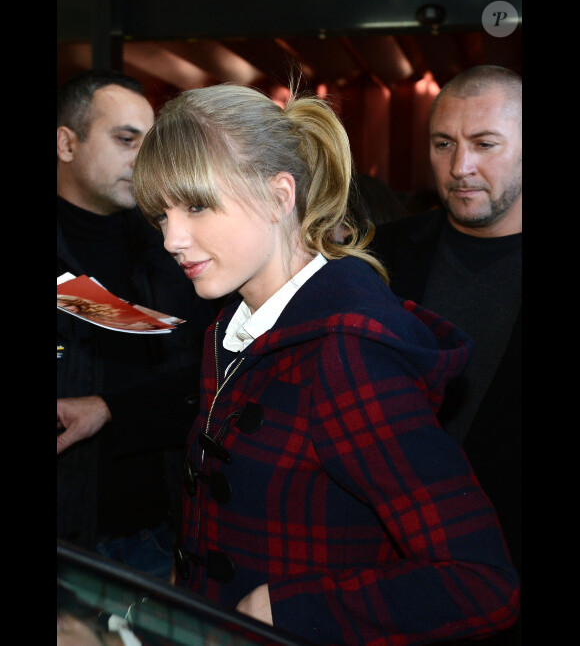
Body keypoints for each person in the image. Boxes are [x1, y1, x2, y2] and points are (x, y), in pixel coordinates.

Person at [131, 81, 520, 644]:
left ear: (279, 195)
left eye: (196, 205)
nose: (172, 237)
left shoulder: (347, 349)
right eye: (160, 214)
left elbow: (482, 582)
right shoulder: (232, 326)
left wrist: (287, 609)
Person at [370, 65, 522, 644]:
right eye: (443, 144)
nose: (460, 167)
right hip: (389, 572)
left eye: (485, 144)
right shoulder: (378, 258)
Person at [57, 70, 217, 579]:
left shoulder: (172, 250)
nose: (142, 158)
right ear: (66, 142)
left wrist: (110, 407)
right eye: (126, 139)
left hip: (155, 535)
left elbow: (204, 376)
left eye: (149, 144)